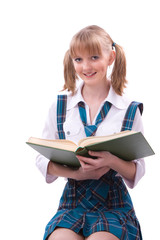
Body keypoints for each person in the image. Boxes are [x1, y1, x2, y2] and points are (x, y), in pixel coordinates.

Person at [36, 25, 145, 240]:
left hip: (114, 203)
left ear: (111, 57)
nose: (86, 66)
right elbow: (42, 159)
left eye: (94, 57)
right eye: (78, 59)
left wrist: (111, 160)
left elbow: (136, 172)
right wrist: (76, 173)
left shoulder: (128, 109)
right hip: (73, 201)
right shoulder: (61, 106)